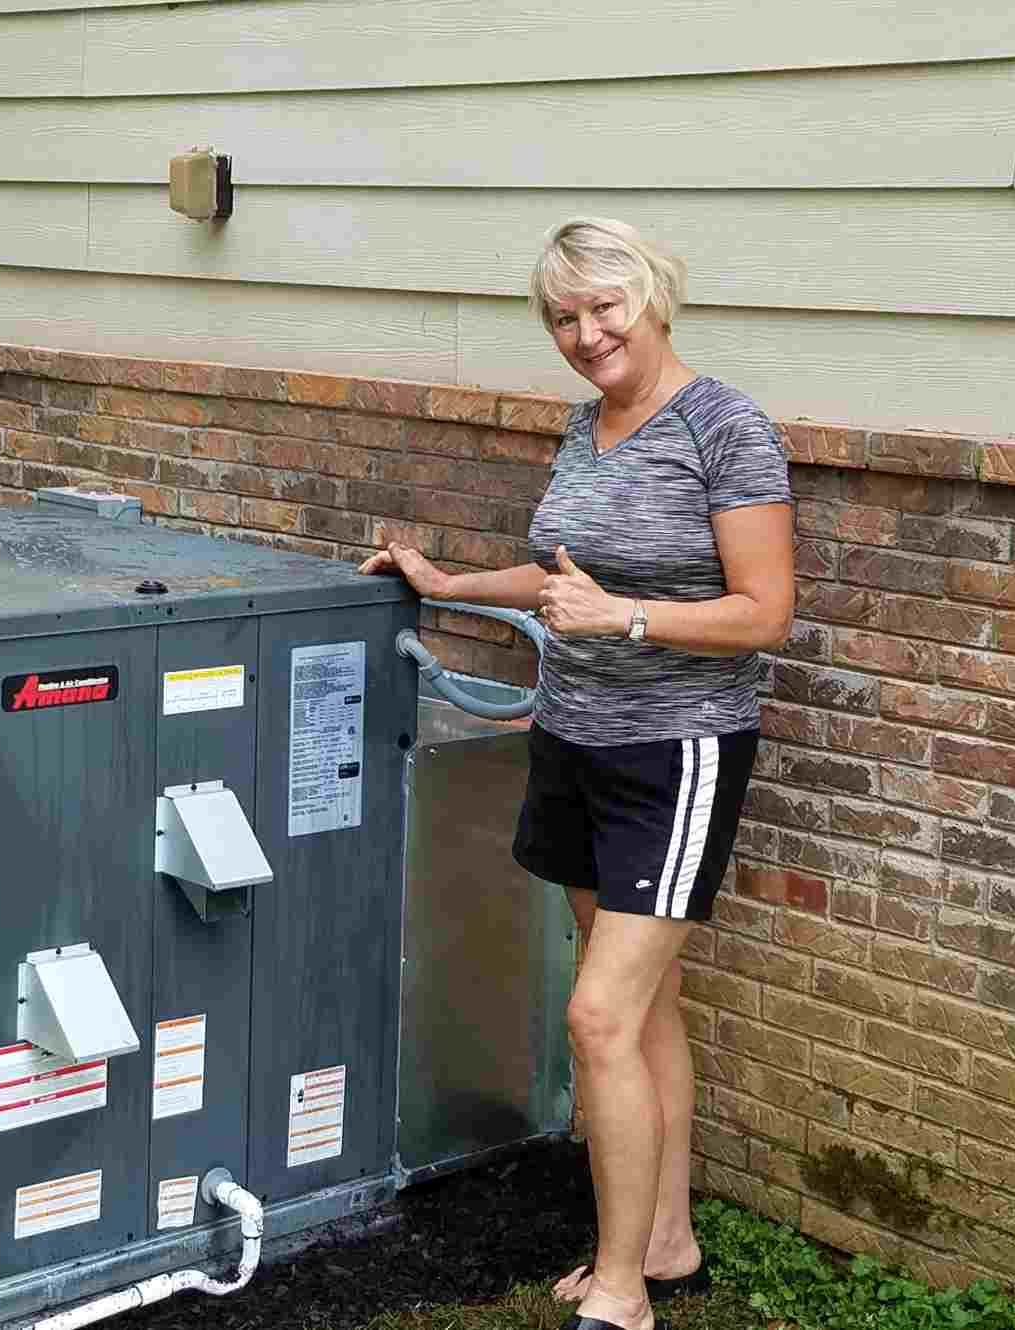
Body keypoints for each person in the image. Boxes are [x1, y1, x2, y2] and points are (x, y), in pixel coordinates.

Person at [360, 217, 794, 1330]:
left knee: (597, 1015)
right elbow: (561, 573)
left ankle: (621, 1293)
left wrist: (625, 617)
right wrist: (448, 579)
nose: (585, 332)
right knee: (644, 1013)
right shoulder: (585, 424)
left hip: (675, 753)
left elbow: (764, 612)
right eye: (563, 316)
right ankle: (666, 1241)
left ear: (653, 298)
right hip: (576, 739)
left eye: (604, 307)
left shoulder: (725, 426)